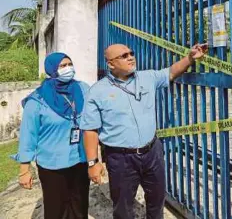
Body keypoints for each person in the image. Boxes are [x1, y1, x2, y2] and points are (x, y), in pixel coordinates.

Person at [80, 43, 207, 219]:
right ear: (111, 64)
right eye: (123, 56)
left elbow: (170, 72)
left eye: (131, 53)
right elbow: (90, 130)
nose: (130, 57)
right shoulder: (97, 91)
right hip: (120, 158)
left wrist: (190, 58)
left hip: (152, 152)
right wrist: (93, 163)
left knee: (156, 200)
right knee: (123, 207)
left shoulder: (148, 78)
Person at [15, 52, 90, 219]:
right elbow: (28, 135)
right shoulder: (37, 100)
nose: (68, 69)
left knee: (80, 207)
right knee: (56, 210)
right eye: (62, 66)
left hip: (80, 158)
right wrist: (24, 170)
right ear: (51, 69)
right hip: (52, 165)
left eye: (69, 64)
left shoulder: (83, 89)